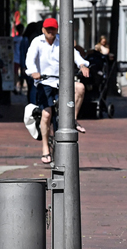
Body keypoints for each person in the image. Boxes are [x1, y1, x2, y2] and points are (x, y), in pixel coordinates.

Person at [26, 18, 91, 164]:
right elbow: (30, 59)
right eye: (48, 29)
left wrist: (82, 65)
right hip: (45, 82)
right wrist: (33, 72)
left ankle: (72, 119)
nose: (50, 32)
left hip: (62, 81)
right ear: (43, 30)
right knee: (46, 114)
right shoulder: (37, 42)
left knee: (80, 88)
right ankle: (45, 148)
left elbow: (74, 53)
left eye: (53, 29)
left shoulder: (62, 40)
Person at [19, 22, 42, 104]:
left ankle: (31, 104)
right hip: (33, 67)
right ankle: (33, 104)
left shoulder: (25, 39)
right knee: (33, 87)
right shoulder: (33, 39)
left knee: (31, 86)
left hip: (27, 66)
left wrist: (22, 67)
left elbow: (22, 54)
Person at [13, 23, 24, 94]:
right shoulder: (17, 39)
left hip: (18, 59)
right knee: (16, 75)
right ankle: (17, 88)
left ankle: (19, 88)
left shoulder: (17, 39)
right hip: (17, 59)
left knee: (20, 75)